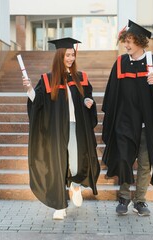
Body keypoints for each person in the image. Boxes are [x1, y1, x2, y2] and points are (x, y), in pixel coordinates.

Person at [102, 20, 153, 217]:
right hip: (125, 122)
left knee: (145, 164)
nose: (126, 45)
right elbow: (111, 94)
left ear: (141, 42)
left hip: (147, 124)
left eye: (130, 41)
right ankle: (124, 198)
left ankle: (140, 200)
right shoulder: (120, 64)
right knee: (125, 159)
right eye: (125, 41)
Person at [22, 37, 100, 220]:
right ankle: (59, 206)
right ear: (59, 56)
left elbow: (88, 98)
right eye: (67, 55)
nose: (71, 58)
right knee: (57, 164)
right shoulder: (48, 80)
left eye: (73, 55)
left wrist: (89, 103)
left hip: (75, 127)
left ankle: (75, 185)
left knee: (75, 161)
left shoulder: (81, 78)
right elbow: (38, 102)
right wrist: (29, 89)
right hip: (56, 130)